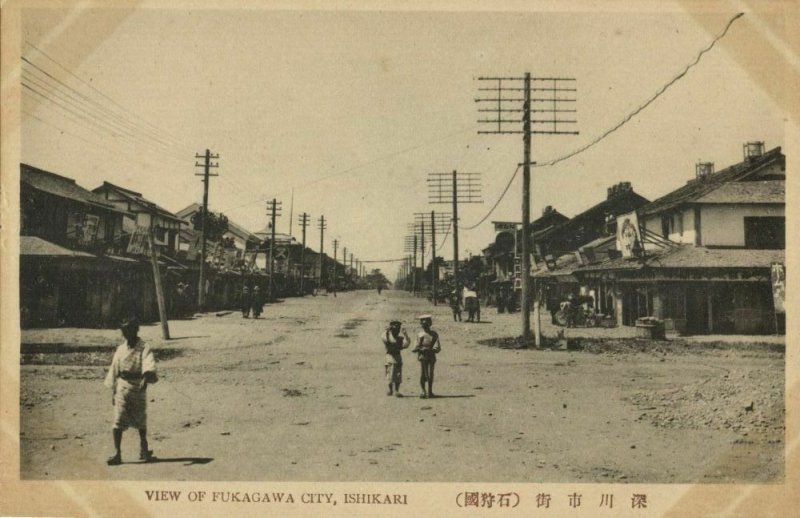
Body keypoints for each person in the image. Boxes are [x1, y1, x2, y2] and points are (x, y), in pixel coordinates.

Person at [104, 318, 158, 465]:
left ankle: (144, 448)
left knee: (141, 421)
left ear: (136, 330)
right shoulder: (121, 349)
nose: (127, 333)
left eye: (130, 330)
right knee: (118, 420)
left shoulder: (144, 347)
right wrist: (113, 392)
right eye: (124, 330)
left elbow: (149, 364)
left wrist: (145, 378)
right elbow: (114, 370)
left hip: (137, 387)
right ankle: (117, 453)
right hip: (122, 387)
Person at [413, 315, 441, 398]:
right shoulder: (420, 335)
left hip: (431, 355)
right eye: (423, 323)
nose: (425, 325)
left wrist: (433, 349)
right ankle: (423, 391)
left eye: (427, 323)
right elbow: (415, 347)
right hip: (423, 355)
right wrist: (420, 349)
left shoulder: (434, 334)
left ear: (430, 324)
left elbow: (437, 345)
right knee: (423, 374)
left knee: (430, 374)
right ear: (421, 324)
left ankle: (430, 391)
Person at [381, 320, 410, 396]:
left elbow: (406, 344)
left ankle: (396, 390)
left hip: (397, 356)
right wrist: (387, 331)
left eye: (398, 329)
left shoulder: (400, 338)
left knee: (397, 374)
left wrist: (405, 334)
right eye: (394, 329)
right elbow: (384, 338)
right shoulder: (387, 336)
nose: (396, 331)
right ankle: (391, 390)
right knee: (389, 373)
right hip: (389, 356)